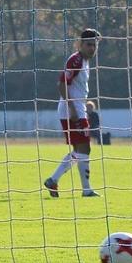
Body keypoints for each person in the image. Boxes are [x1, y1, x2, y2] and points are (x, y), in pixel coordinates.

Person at [43, 29, 101, 199]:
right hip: (72, 110)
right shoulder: (75, 60)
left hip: (77, 109)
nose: (92, 48)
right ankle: (86, 190)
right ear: (80, 44)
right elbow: (62, 84)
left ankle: (53, 180)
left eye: (94, 45)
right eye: (89, 45)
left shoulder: (84, 60)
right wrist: (73, 109)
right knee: (85, 148)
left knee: (80, 149)